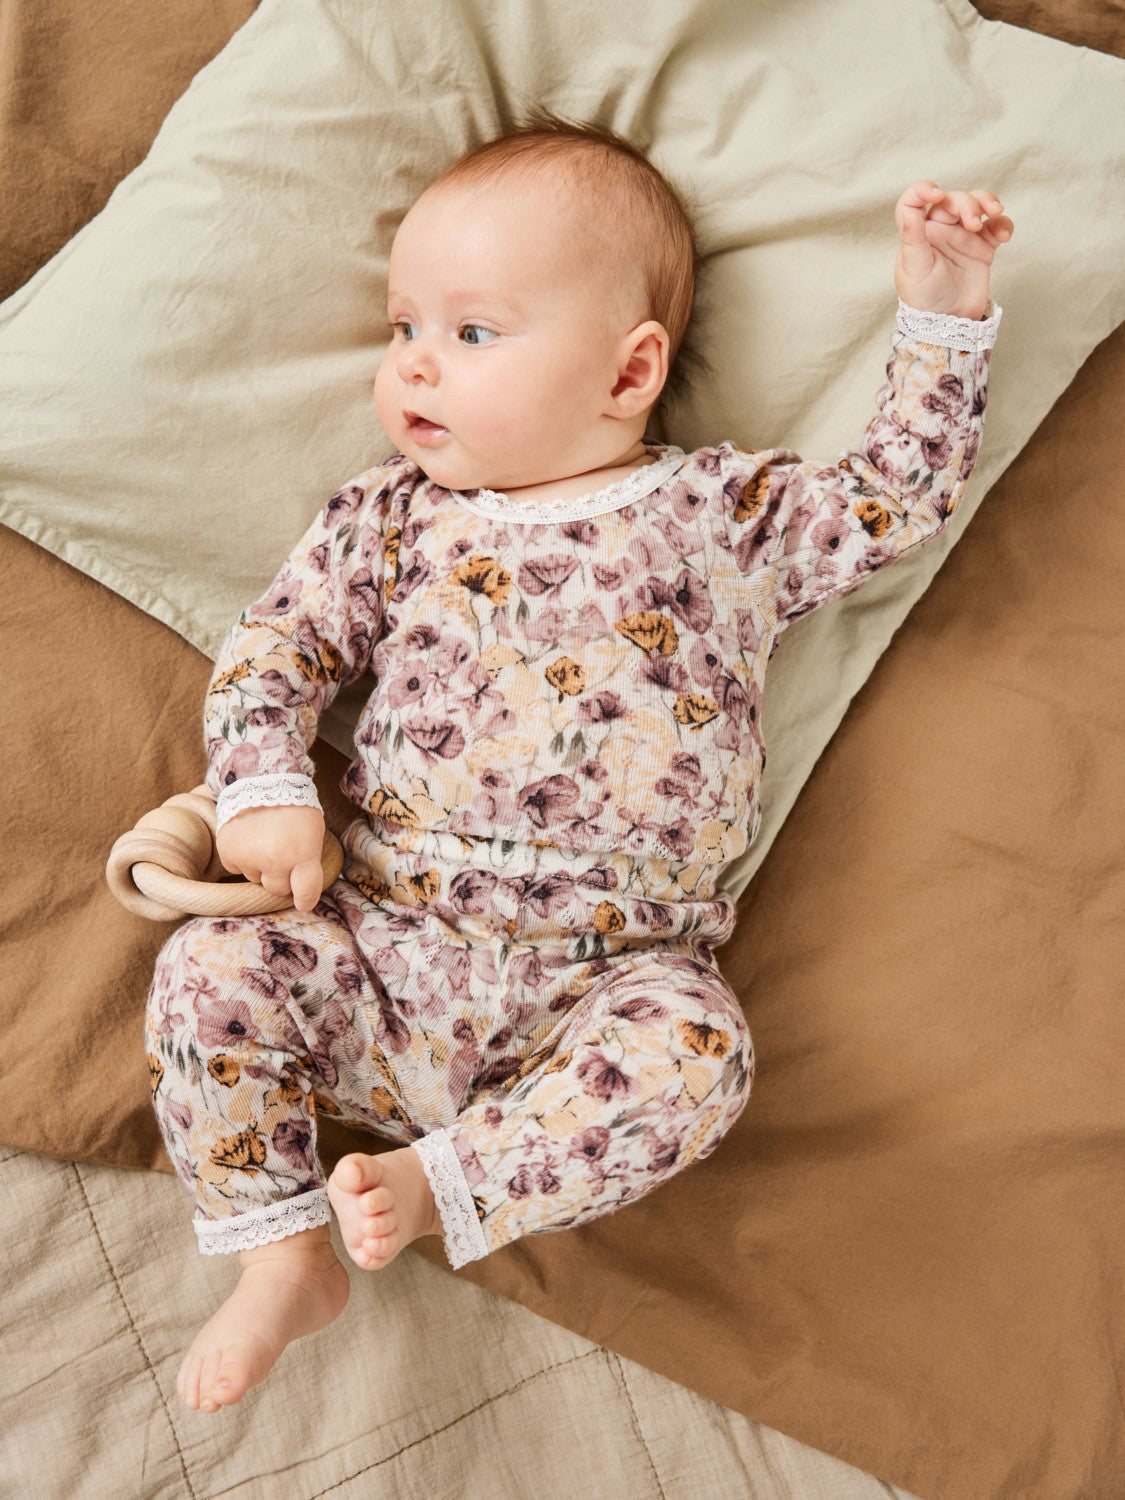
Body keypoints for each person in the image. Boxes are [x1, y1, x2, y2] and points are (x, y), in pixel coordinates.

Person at [144, 110, 1013, 1414]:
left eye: (471, 333)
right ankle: (281, 1254)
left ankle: (446, 1185)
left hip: (603, 990)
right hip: (381, 948)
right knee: (209, 972)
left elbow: (893, 500)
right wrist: (266, 789)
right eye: (402, 326)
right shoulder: (394, 518)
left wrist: (941, 311)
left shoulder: (721, 517)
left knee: (702, 1056)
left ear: (629, 371)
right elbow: (278, 649)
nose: (414, 364)